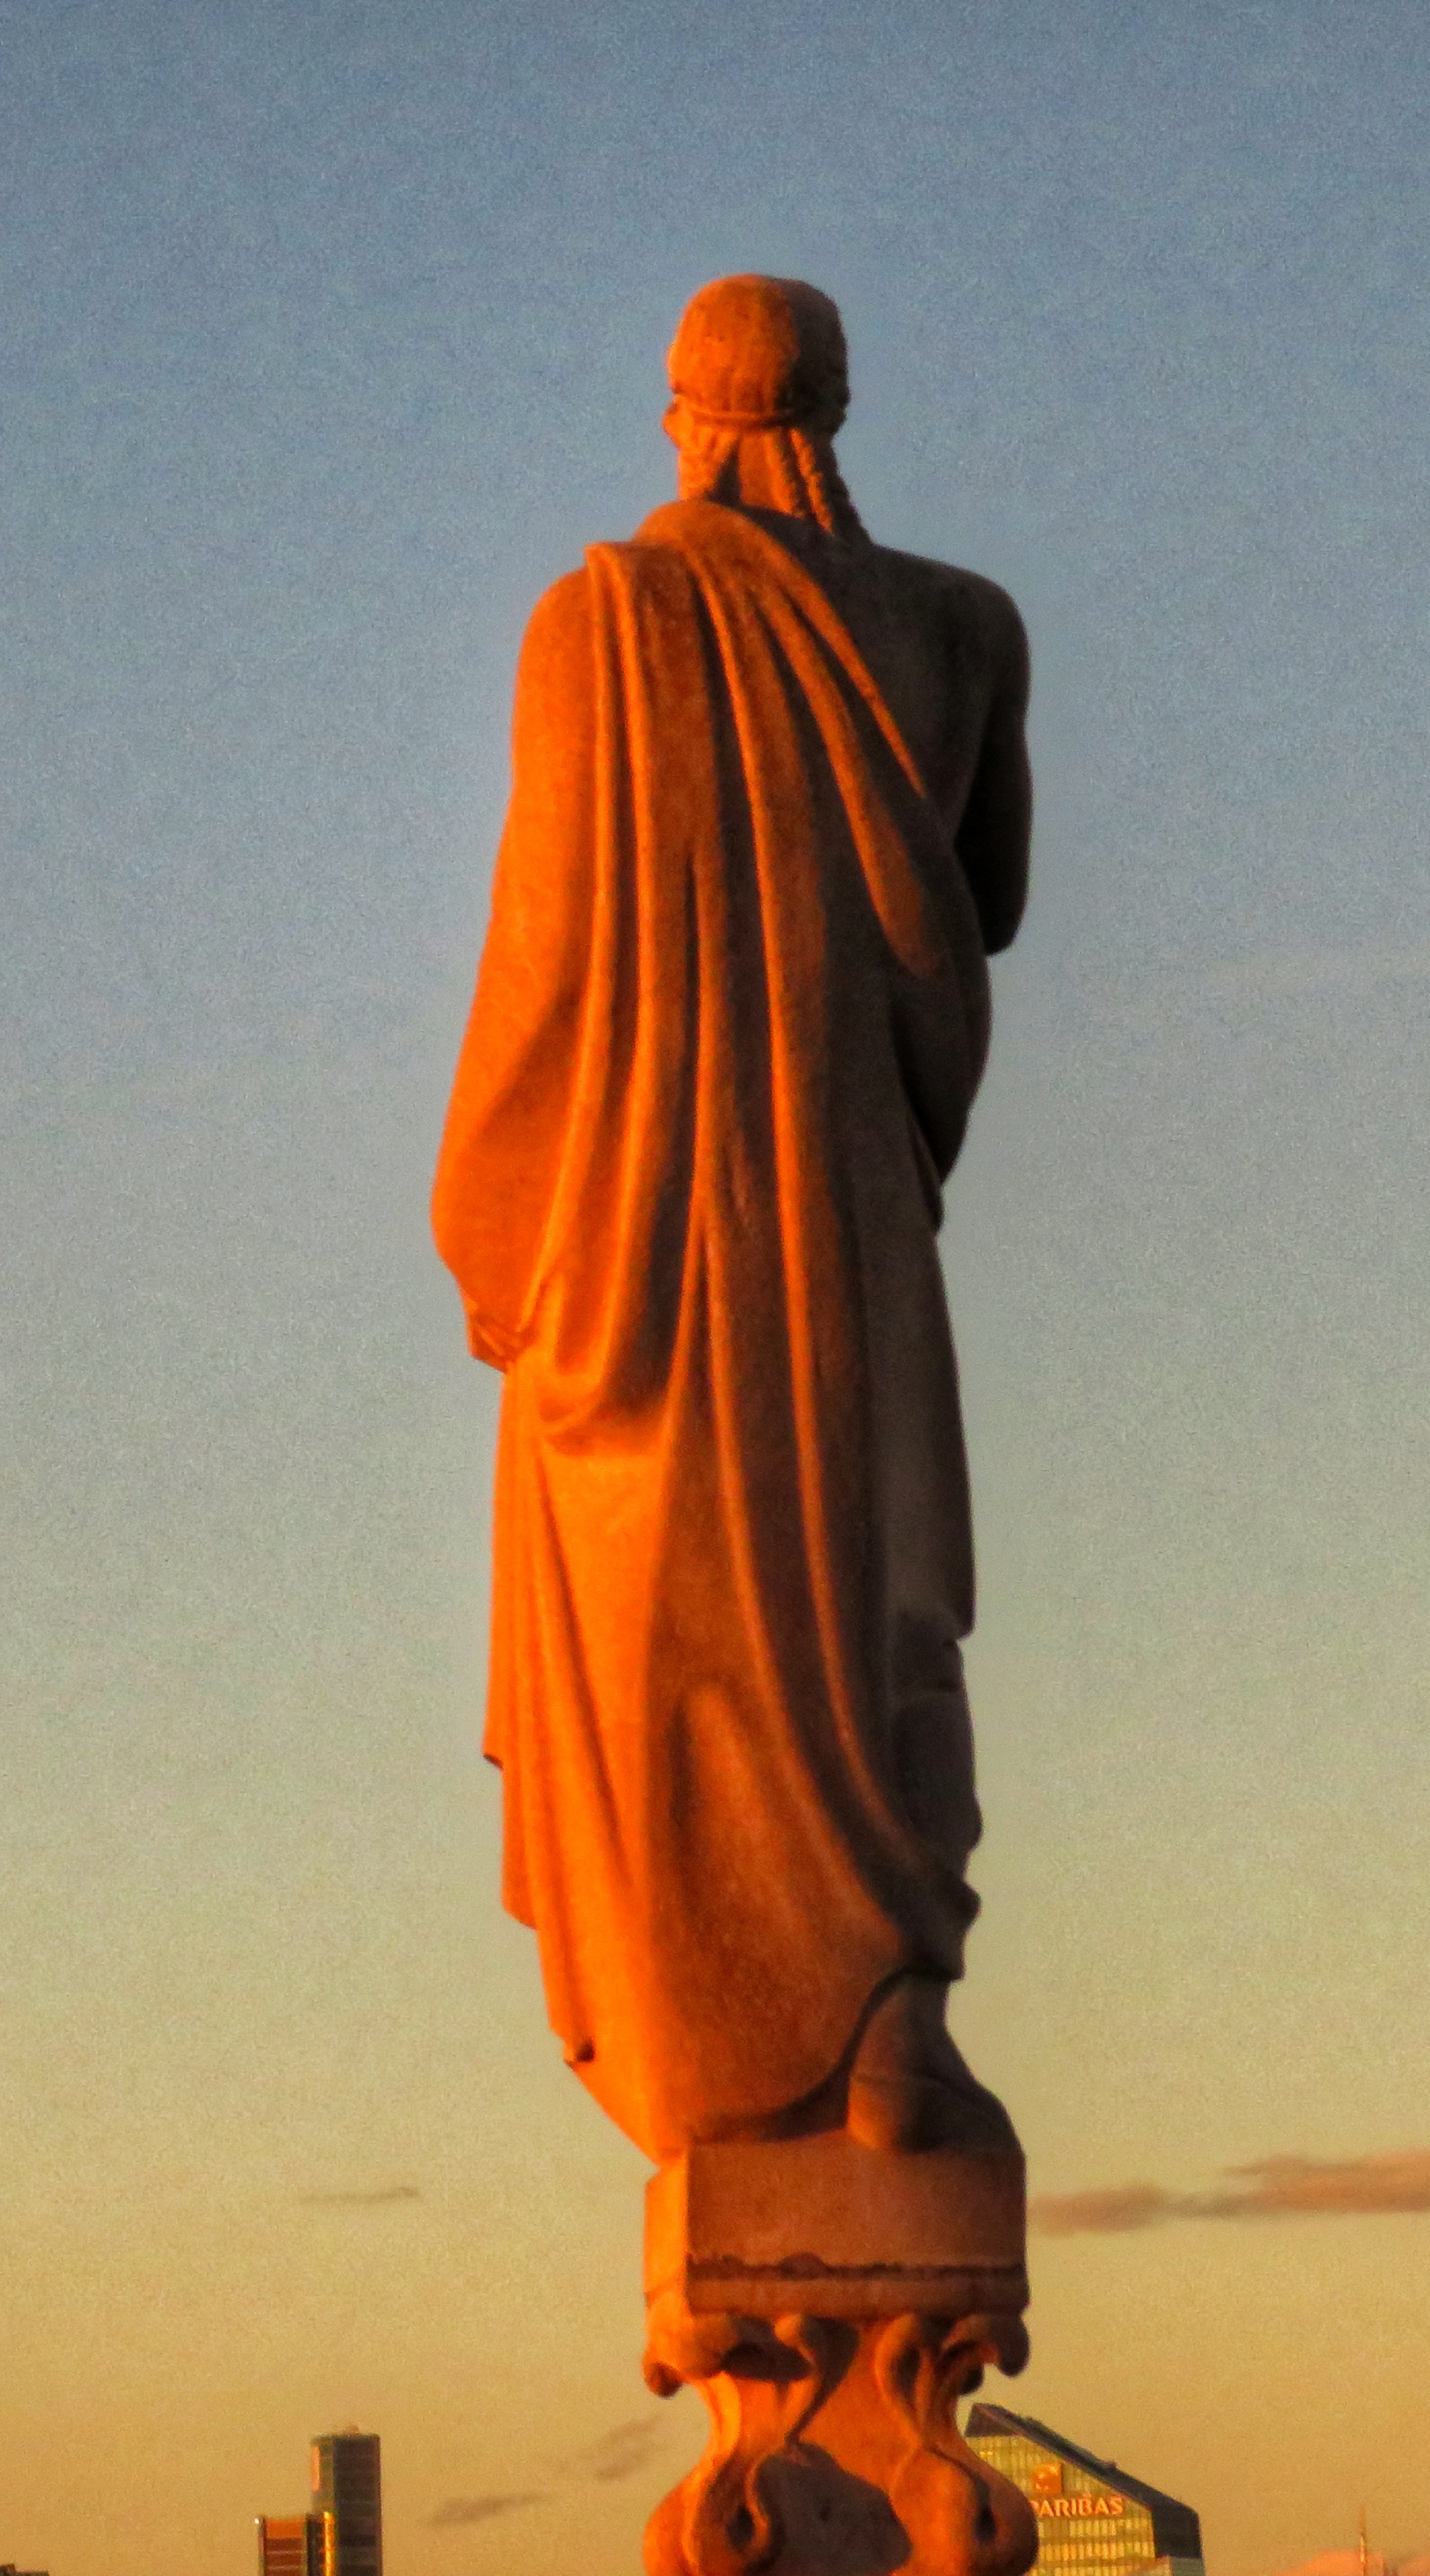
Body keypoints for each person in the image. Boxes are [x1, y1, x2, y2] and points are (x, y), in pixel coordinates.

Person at [433, 276, 1034, 2168]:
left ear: (681, 410)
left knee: (677, 1634)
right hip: (851, 1214)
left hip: (646, 1225)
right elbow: (985, 896)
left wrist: (488, 1219)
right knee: (861, 1599)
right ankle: (888, 2024)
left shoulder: (603, 621)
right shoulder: (960, 630)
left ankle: (729, 2070)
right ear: (837, 404)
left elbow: (542, 950)